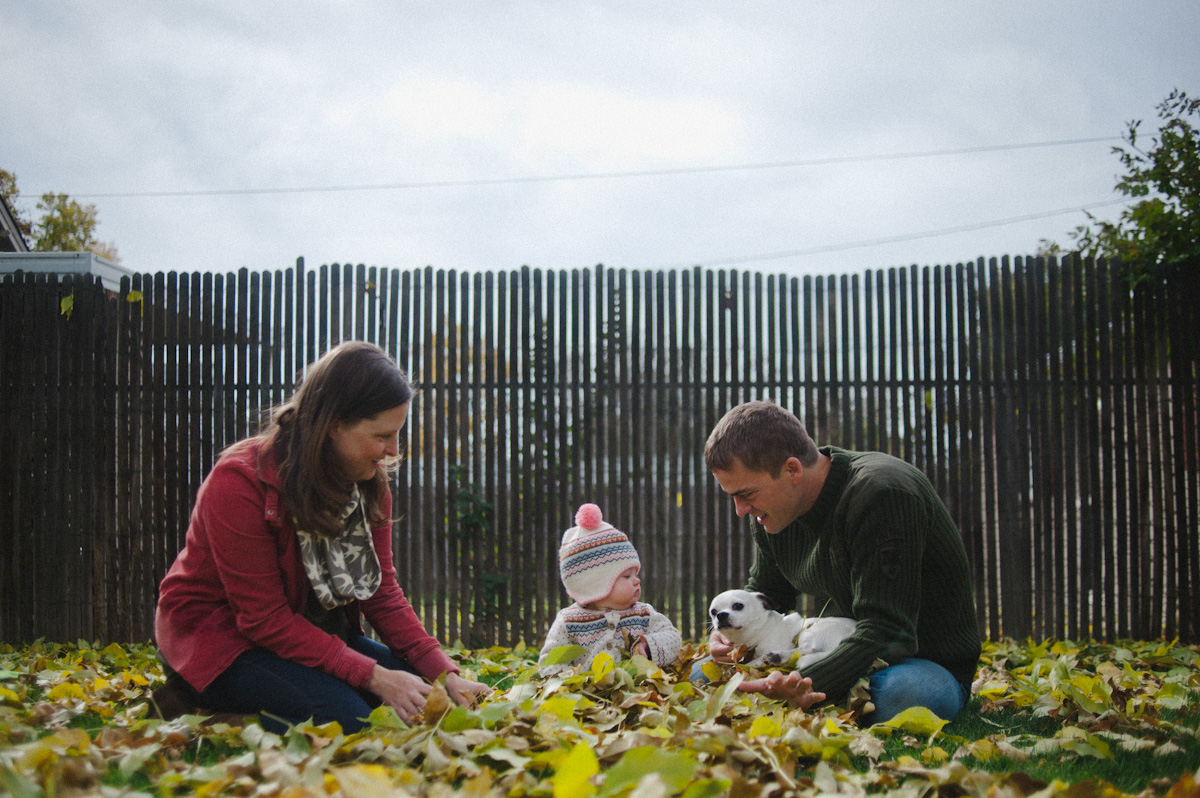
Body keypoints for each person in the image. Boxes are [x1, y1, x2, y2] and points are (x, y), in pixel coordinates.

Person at [153, 341, 490, 731]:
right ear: (333, 424)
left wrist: (443, 674)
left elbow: (381, 594)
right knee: (351, 721)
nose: (392, 450)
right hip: (222, 642)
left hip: (308, 633)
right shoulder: (240, 482)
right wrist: (375, 677)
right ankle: (202, 707)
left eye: (397, 434)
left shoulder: (368, 485)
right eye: (382, 435)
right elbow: (262, 620)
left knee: (429, 702)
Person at [697, 400, 981, 723]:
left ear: (792, 470)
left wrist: (808, 681)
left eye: (745, 494)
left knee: (896, 695)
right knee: (701, 673)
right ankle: (816, 693)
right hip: (829, 649)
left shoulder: (882, 495)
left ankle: (815, 693)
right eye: (732, 496)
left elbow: (888, 631)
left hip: (918, 661)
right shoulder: (771, 513)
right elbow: (764, 595)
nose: (740, 510)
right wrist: (724, 639)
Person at [539, 503, 682, 672]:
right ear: (595, 584)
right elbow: (550, 663)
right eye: (626, 576)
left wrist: (648, 644)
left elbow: (673, 637)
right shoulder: (569, 622)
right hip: (587, 695)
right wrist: (569, 685)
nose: (637, 581)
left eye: (635, 574)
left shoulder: (643, 614)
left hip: (635, 693)